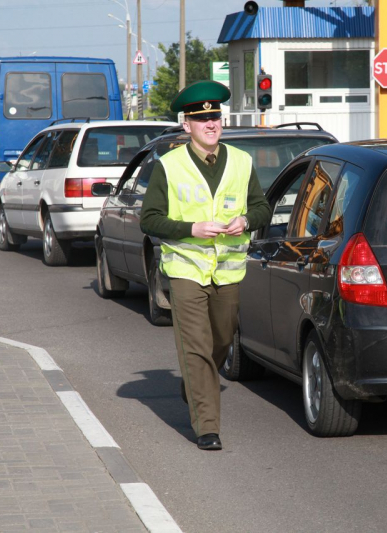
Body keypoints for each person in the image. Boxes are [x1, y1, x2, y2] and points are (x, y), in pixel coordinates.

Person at [140, 80, 271, 451]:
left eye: (215, 116)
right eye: (202, 119)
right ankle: (207, 427)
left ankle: (193, 384)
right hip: (185, 269)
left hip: (228, 270)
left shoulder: (242, 162)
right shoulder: (169, 166)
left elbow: (263, 207)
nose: (211, 124)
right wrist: (191, 228)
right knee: (195, 346)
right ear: (187, 126)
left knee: (222, 340)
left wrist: (246, 220)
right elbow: (148, 220)